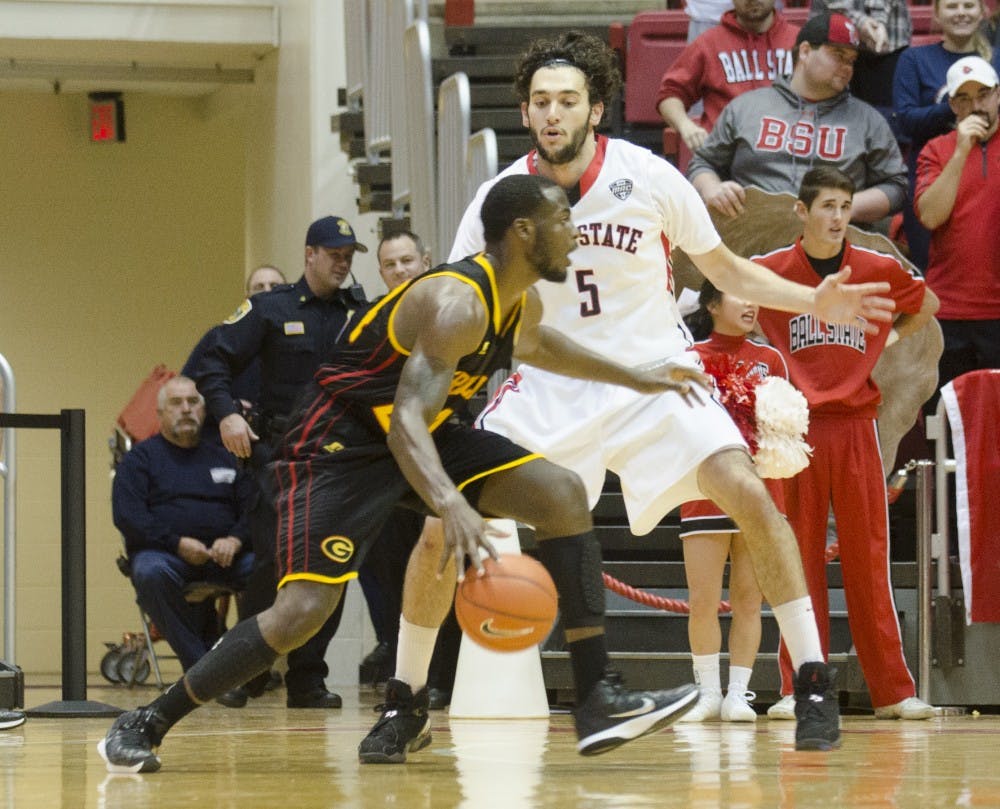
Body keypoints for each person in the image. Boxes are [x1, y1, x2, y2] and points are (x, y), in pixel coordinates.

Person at [367, 30, 898, 760]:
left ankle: (810, 676)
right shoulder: (497, 198)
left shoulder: (648, 176)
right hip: (547, 386)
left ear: (597, 109)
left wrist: (815, 299)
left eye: (568, 101)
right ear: (525, 112)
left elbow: (728, 270)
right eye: (542, 102)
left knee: (746, 488)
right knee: (437, 527)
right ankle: (405, 699)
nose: (554, 114)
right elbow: (470, 300)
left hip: (654, 375)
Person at [98, 174, 710, 774]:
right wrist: (450, 502)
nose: (575, 233)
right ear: (523, 231)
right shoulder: (456, 303)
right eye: (563, 219)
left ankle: (597, 695)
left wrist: (641, 375)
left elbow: (538, 345)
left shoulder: (517, 300)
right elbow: (403, 426)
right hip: (338, 441)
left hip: (416, 429)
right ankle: (148, 720)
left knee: (561, 493)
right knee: (301, 612)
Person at [753, 166, 939, 721]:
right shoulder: (773, 273)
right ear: (802, 212)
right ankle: (799, 688)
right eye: (827, 207)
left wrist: (886, 341)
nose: (837, 218)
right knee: (799, 561)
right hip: (797, 431)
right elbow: (728, 292)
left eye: (845, 206)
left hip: (858, 426)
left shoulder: (877, 268)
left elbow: (925, 303)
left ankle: (893, 692)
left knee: (868, 561)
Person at [189, 215, 370, 710]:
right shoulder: (271, 310)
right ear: (309, 254)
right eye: (333, 253)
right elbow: (210, 360)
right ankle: (247, 670)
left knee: (331, 569)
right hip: (282, 458)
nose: (343, 262)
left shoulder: (361, 312)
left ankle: (308, 679)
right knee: (272, 566)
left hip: (342, 461)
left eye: (349, 254)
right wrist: (225, 414)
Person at [675, 280, 789, 723]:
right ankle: (707, 693)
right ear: (712, 304)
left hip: (761, 489)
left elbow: (787, 427)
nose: (750, 304)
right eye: (740, 295)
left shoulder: (771, 359)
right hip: (705, 491)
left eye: (753, 295)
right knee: (702, 599)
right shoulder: (691, 358)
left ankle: (738, 694)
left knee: (748, 599)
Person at [687, 13, 908, 226]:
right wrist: (713, 189)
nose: (847, 68)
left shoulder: (869, 120)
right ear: (804, 52)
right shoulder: (746, 107)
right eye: (838, 56)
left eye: (852, 60)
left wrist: (845, 207)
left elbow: (896, 186)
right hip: (751, 236)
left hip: (835, 243)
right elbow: (702, 163)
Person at [111, 376, 256, 672]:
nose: (186, 409)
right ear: (161, 413)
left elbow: (254, 508)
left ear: (204, 411)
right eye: (176, 403)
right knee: (150, 572)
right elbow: (129, 517)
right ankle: (203, 668)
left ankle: (248, 664)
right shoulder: (140, 459)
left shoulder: (227, 455)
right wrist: (176, 543)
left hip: (227, 556)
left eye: (193, 402)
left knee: (269, 569)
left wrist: (235, 540)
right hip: (166, 555)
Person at [915, 55, 1000, 394]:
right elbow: (931, 216)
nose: (975, 105)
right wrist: (961, 151)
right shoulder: (936, 150)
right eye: (963, 97)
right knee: (947, 427)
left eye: (983, 94)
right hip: (949, 310)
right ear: (951, 104)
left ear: (998, 95)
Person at [893, 0, 996, 270]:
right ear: (936, 14)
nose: (961, 12)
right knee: (930, 271)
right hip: (933, 176)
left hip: (990, 174)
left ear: (982, 11)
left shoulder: (998, 58)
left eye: (968, 5)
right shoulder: (914, 59)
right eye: (951, 6)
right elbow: (905, 122)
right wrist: (960, 107)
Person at [656, 0, 800, 152]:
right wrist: (685, 125)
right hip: (724, 158)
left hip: (789, 156)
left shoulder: (800, 41)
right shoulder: (708, 43)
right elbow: (670, 94)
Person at [181, 265, 288, 441]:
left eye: (274, 286)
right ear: (247, 299)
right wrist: (228, 407)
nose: (267, 293)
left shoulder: (301, 337)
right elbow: (186, 390)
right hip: (222, 441)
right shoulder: (219, 337)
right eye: (259, 287)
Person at [811, 0, 912, 117]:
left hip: (888, 46)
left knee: (886, 121)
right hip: (834, 42)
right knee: (833, 120)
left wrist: (874, 23)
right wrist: (865, 23)